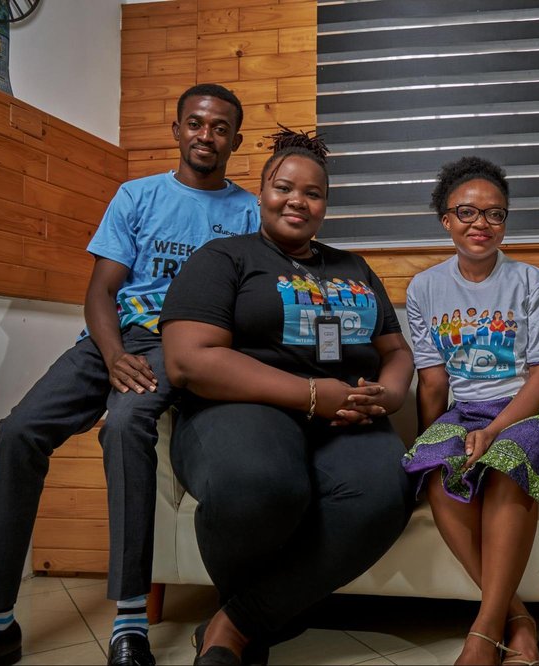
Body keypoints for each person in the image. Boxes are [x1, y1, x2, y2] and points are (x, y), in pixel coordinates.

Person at [0, 83, 257, 666]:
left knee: (124, 426)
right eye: (196, 123)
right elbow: (102, 289)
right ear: (177, 130)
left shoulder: (250, 211)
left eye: (220, 127)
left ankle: (129, 621)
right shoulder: (136, 195)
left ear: (235, 139)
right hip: (110, 339)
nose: (207, 135)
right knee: (17, 431)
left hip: (179, 341)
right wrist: (110, 356)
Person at [159, 128, 413, 666]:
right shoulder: (223, 257)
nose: (297, 200)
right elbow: (189, 358)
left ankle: (236, 624)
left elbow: (396, 350)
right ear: (261, 193)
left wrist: (389, 394)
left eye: (313, 193)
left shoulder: (354, 268)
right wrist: (312, 393)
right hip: (244, 408)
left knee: (387, 492)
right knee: (261, 485)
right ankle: (253, 626)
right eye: (283, 187)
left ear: (325, 204)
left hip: (348, 416)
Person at [401, 156, 539, 666]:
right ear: (445, 219)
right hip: (468, 412)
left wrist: (498, 429)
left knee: (507, 458)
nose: (481, 224)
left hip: (532, 407)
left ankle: (483, 632)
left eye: (495, 214)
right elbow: (434, 381)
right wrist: (433, 439)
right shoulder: (424, 289)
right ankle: (519, 620)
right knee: (438, 470)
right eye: (467, 212)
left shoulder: (531, 282)